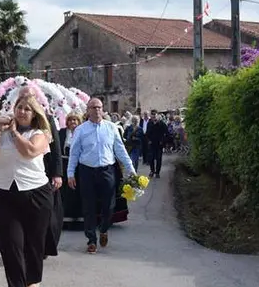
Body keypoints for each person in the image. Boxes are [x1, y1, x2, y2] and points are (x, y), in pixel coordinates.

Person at [0, 94, 55, 287]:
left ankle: (32, 278)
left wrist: (14, 133)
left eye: (27, 109)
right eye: (19, 107)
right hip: (4, 193)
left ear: (34, 114)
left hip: (35, 193)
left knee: (34, 243)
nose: (22, 112)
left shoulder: (40, 133)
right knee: (11, 244)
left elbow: (30, 152)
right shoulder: (4, 132)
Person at [67, 97, 136, 254]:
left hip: (107, 170)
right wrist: (70, 173)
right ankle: (91, 239)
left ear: (103, 110)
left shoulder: (111, 128)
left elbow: (120, 150)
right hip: (87, 171)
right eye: (93, 107)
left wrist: (131, 169)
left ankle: (104, 229)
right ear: (88, 111)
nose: (97, 110)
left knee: (109, 205)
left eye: (99, 107)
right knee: (88, 206)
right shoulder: (81, 130)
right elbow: (74, 153)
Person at [43, 115, 65, 259]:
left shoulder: (47, 119)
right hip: (21, 175)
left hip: (45, 172)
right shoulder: (14, 120)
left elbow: (56, 148)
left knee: (47, 212)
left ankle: (45, 246)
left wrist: (57, 174)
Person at [146, 109, 170, 178]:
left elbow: (167, 134)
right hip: (151, 144)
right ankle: (152, 171)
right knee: (151, 158)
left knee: (159, 158)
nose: (153, 116)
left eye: (154, 115)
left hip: (159, 144)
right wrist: (148, 140)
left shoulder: (162, 124)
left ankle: (157, 172)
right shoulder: (149, 123)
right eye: (152, 114)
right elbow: (147, 134)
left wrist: (163, 141)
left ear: (157, 115)